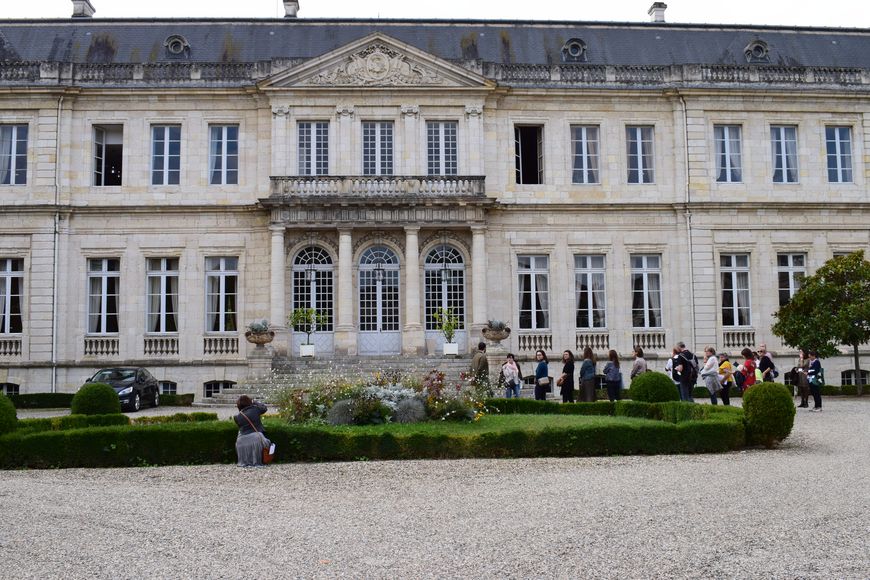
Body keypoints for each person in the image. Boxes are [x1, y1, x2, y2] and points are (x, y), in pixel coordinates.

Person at [234, 395, 270, 468]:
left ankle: (245, 462)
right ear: (249, 402)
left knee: (242, 438)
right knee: (267, 442)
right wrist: (255, 402)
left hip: (241, 442)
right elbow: (264, 408)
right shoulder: (255, 409)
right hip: (256, 438)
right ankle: (257, 461)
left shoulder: (237, 417)